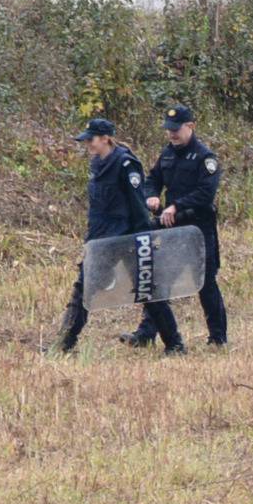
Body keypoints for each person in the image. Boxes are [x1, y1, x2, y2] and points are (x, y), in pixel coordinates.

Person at [54, 117, 184, 356]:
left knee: (147, 291)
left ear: (105, 139)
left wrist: (144, 241)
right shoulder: (98, 164)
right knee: (83, 290)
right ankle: (64, 344)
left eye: (91, 140)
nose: (88, 145)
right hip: (101, 239)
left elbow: (137, 206)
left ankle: (175, 344)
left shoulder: (125, 164)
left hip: (127, 239)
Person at [127, 104, 228, 348]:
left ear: (190, 127)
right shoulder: (168, 153)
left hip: (198, 228)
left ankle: (218, 338)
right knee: (161, 279)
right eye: (168, 130)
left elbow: (206, 193)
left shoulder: (205, 158)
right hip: (172, 227)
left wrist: (177, 206)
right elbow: (153, 179)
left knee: (205, 283)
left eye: (176, 129)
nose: (172, 134)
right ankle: (146, 334)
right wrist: (151, 195)